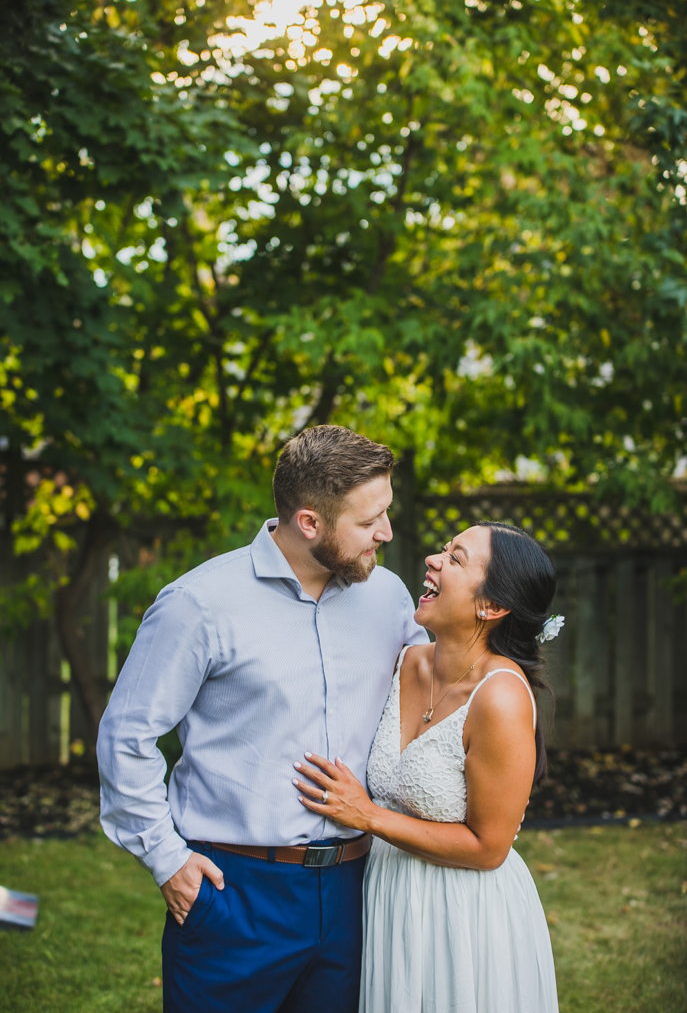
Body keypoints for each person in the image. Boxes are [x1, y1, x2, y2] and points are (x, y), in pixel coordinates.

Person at [97, 425, 428, 1013]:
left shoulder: (391, 597)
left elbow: (446, 689)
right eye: (369, 519)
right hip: (234, 895)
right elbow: (127, 736)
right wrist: (166, 859)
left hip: (358, 889)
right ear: (309, 522)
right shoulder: (198, 605)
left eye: (387, 511)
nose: (387, 532)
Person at [293, 522, 560, 1013]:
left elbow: (489, 848)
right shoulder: (406, 661)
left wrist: (368, 816)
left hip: (462, 913)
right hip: (387, 896)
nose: (433, 560)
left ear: (492, 607)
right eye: (442, 549)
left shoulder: (500, 697)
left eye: (456, 559)